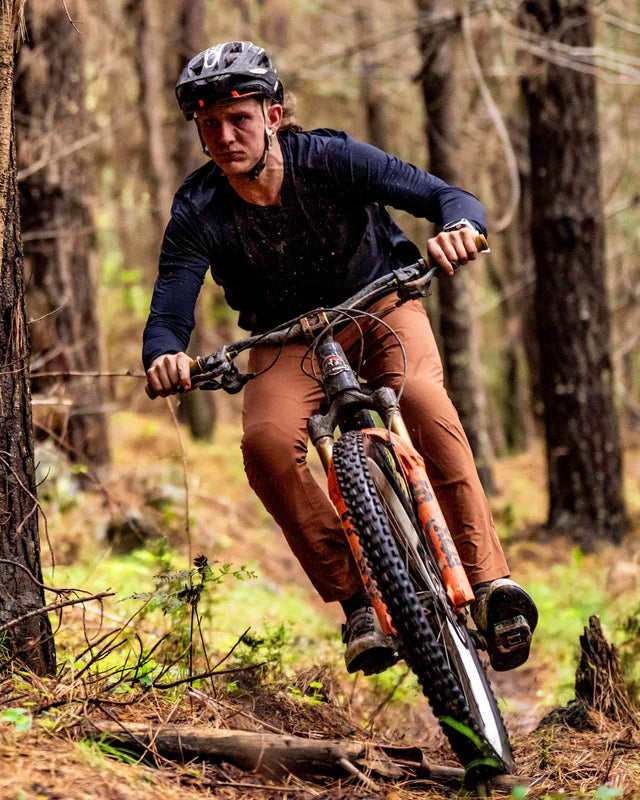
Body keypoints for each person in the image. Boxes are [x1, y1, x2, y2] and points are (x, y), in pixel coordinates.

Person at [143, 40, 537, 674]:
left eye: (238, 118)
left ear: (273, 116)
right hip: (283, 339)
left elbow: (446, 196)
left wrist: (460, 228)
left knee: (420, 399)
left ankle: (490, 585)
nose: (224, 135)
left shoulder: (330, 158)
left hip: (379, 304)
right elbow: (170, 306)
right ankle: (358, 601)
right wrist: (165, 353)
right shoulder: (198, 208)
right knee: (267, 444)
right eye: (209, 124)